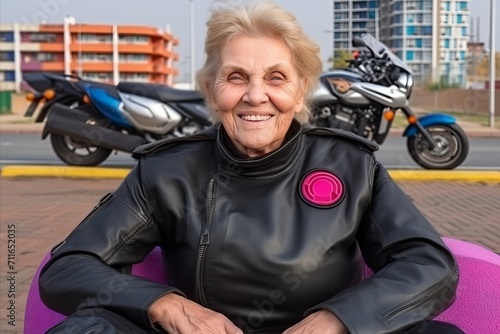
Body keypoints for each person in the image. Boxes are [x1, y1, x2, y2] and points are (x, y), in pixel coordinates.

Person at [39, 1, 463, 333]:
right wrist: (166, 304)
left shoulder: (353, 165)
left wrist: (339, 320)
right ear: (212, 90)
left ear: (299, 94)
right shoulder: (166, 171)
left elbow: (429, 265)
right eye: (236, 77)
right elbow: (68, 269)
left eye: (276, 78)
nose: (255, 95)